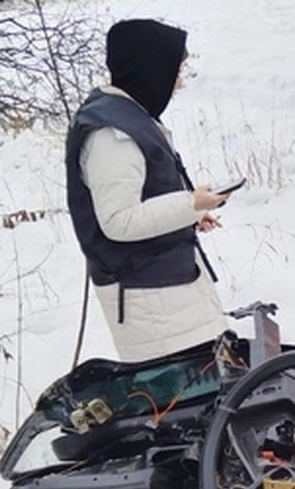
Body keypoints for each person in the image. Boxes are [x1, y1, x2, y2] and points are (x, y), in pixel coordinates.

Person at [65, 19, 229, 363]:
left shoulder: (128, 117)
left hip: (167, 291)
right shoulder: (111, 135)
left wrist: (192, 214)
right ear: (149, 70)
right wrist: (189, 203)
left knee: (207, 390)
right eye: (174, 74)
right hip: (148, 301)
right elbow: (118, 221)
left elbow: (145, 200)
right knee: (181, 405)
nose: (179, 84)